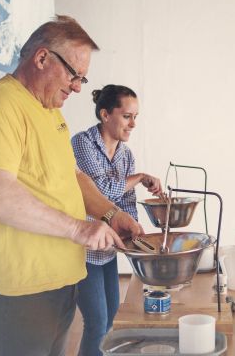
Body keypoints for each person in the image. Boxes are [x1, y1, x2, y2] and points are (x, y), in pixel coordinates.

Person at [0, 15, 143, 356]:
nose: (77, 87)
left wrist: (110, 214)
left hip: (60, 280)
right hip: (20, 288)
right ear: (42, 58)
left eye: (82, 79)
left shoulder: (50, 112)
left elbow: (72, 177)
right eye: (74, 75)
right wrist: (78, 230)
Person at [71, 84, 163, 356]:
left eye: (136, 117)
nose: (133, 123)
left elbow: (124, 202)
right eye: (127, 116)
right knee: (97, 323)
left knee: (110, 318)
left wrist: (135, 232)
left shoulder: (126, 155)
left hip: (107, 251)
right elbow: (99, 192)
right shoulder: (82, 143)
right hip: (82, 250)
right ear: (105, 114)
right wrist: (140, 177)